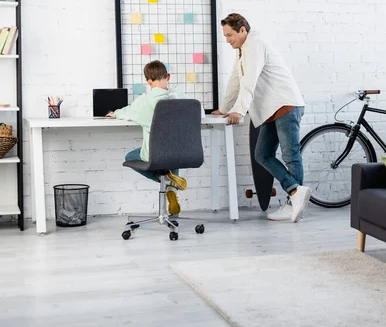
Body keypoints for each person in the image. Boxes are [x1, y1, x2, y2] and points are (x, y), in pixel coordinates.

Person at [213, 13, 311, 222]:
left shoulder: (255, 45)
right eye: (225, 36)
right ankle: (295, 192)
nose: (227, 40)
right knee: (262, 155)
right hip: (270, 110)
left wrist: (238, 110)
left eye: (230, 35)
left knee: (291, 156)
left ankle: (292, 205)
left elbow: (250, 81)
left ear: (242, 30)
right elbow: (235, 80)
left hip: (285, 105)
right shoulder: (242, 51)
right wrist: (224, 108)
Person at [107, 60, 192, 216]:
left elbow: (128, 112)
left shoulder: (144, 101)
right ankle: (172, 186)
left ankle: (166, 180)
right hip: (181, 153)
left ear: (148, 81)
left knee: (131, 156)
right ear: (168, 76)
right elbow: (198, 113)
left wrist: (116, 113)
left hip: (156, 154)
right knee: (172, 154)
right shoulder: (181, 97)